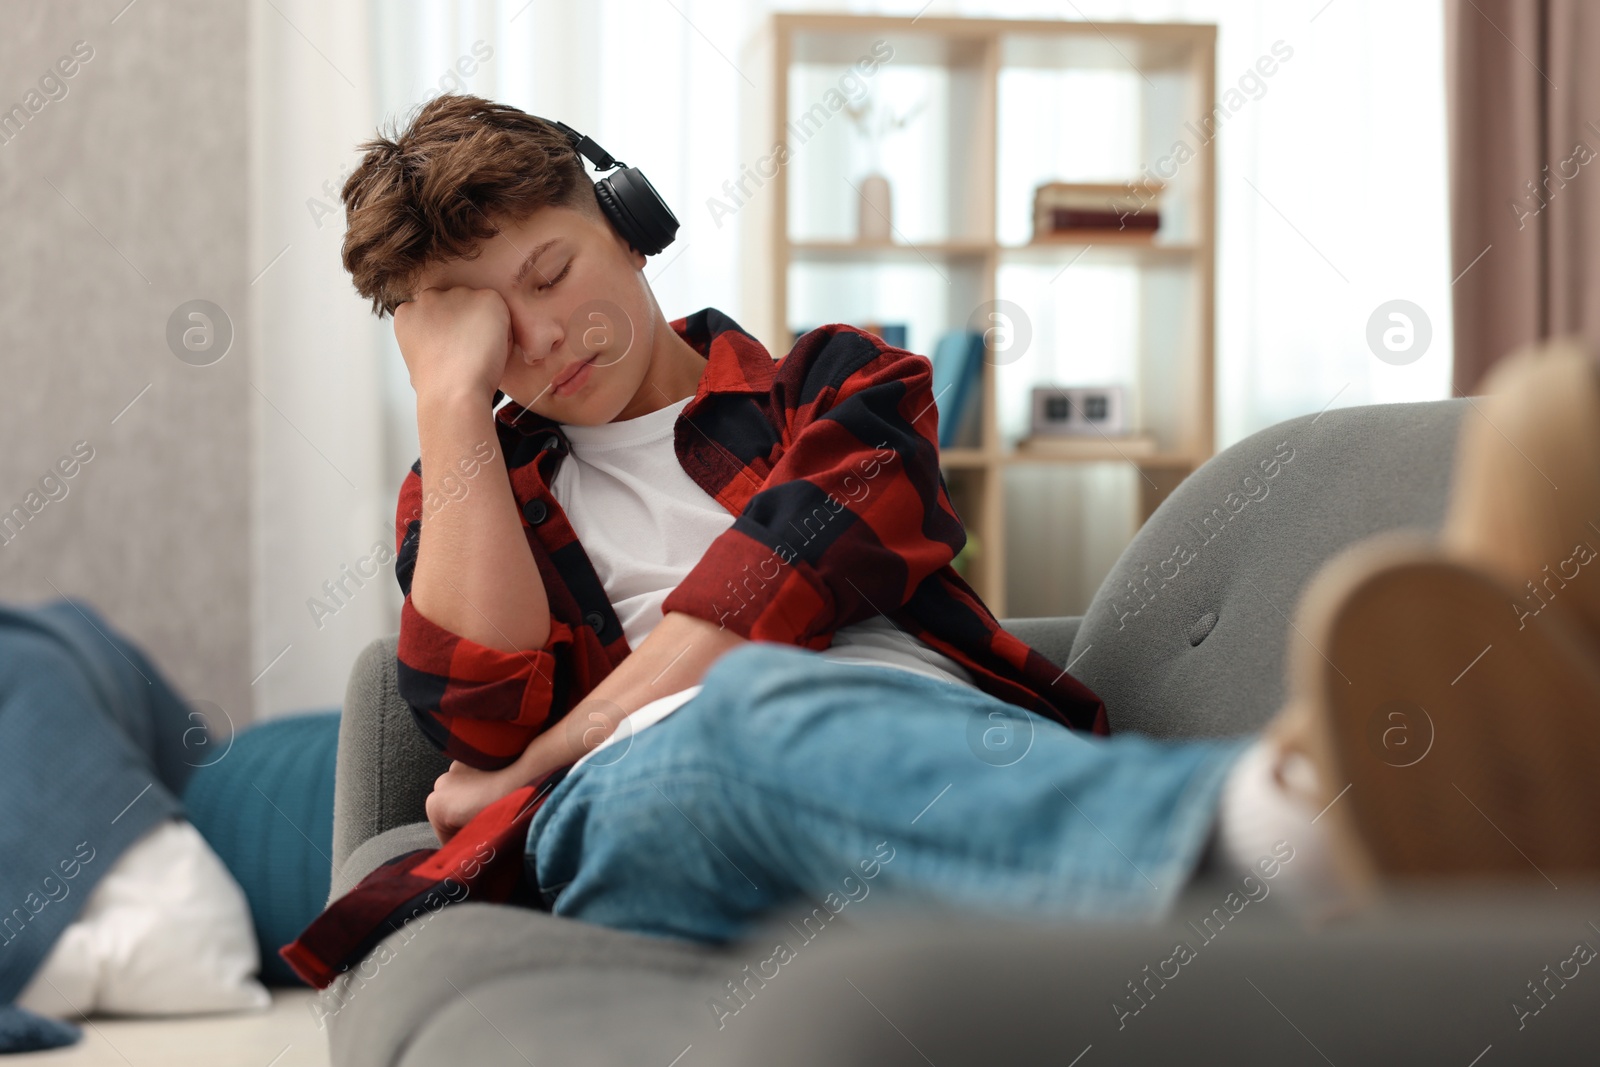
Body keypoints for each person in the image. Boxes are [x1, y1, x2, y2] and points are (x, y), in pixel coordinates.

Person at [336, 93, 1600, 949]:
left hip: (936, 732)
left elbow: (757, 602)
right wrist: (451, 408)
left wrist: (521, 769)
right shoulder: (470, 497)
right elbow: (477, 711)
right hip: (648, 807)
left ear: (628, 224)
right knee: (743, 714)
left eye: (550, 273)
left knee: (763, 689)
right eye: (489, 324)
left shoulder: (845, 386)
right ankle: (1309, 822)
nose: (542, 338)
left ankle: (1488, 757)